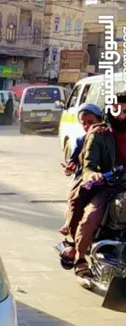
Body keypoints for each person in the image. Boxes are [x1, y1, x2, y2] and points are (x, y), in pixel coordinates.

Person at [63, 95, 126, 278]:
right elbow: (89, 165)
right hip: (109, 185)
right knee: (91, 215)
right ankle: (80, 257)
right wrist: (93, 175)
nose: (121, 116)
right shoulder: (99, 135)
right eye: (117, 111)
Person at [58, 103, 103, 237]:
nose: (87, 126)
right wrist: (70, 167)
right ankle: (72, 235)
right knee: (75, 198)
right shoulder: (81, 140)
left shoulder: (107, 135)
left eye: (91, 122)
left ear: (100, 120)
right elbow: (73, 161)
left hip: (107, 175)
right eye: (83, 123)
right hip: (85, 176)